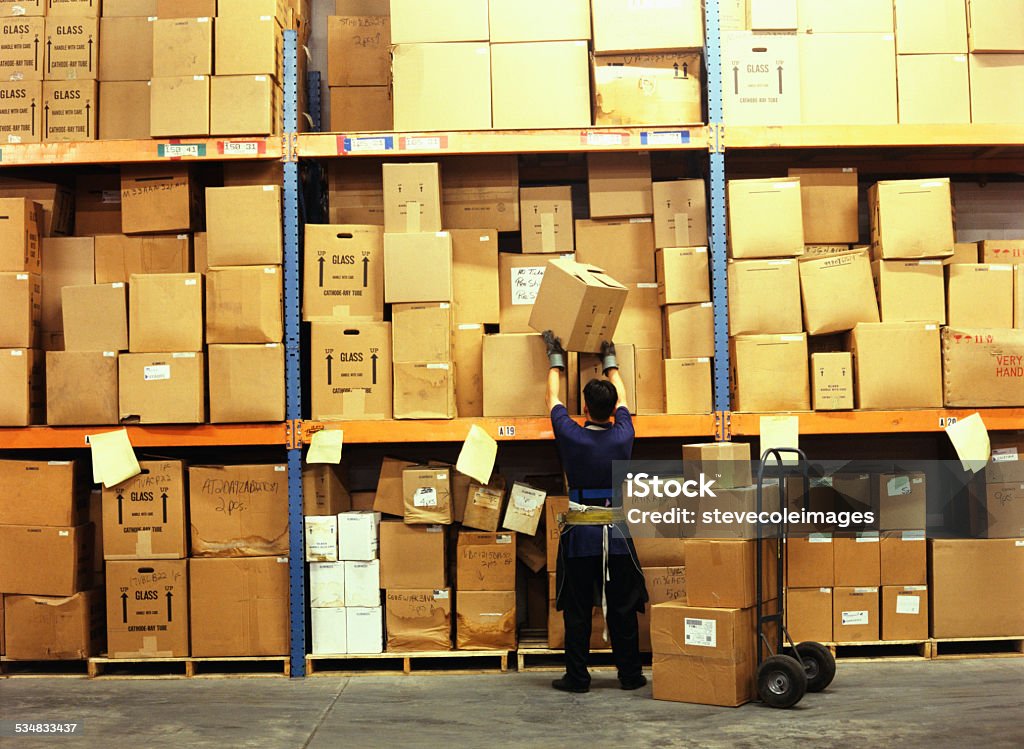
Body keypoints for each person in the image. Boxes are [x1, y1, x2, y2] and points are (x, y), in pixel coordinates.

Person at [543, 331, 649, 694]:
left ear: (584, 409)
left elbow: (552, 398)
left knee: (576, 609)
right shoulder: (624, 433)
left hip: (580, 537)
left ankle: (577, 677)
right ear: (613, 408)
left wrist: (555, 358)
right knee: (623, 606)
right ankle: (631, 676)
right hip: (616, 535)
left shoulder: (571, 434)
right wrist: (611, 360)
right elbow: (623, 396)